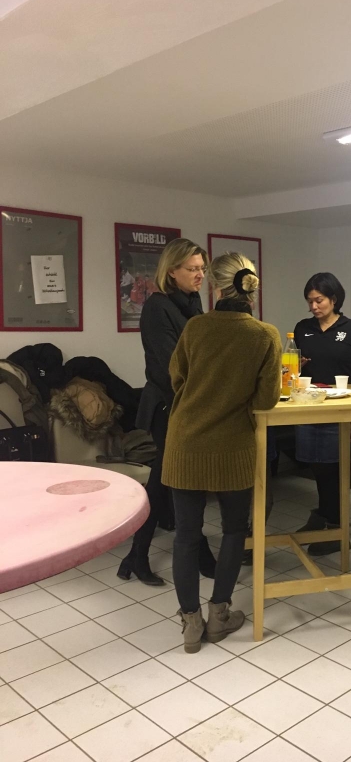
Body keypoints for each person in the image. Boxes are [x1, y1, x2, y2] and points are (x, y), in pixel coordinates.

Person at [162, 252, 281, 652]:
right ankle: (219, 615)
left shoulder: (195, 327)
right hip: (233, 446)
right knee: (233, 530)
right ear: (252, 286)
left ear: (215, 285)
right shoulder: (265, 335)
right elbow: (265, 400)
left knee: (186, 535)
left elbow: (177, 377)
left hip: (185, 443)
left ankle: (190, 624)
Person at [118, 239, 216, 586]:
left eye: (202, 269)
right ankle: (149, 554)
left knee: (172, 481)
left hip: (189, 403)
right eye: (192, 269)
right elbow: (170, 366)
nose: (200, 275)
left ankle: (137, 556)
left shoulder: (193, 303)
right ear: (172, 271)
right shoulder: (157, 307)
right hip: (168, 405)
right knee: (168, 481)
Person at [294, 272, 351, 555]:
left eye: (319, 300)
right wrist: (297, 366)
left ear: (334, 299)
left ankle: (337, 529)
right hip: (310, 408)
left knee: (335, 470)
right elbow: (293, 367)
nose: (314, 306)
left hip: (342, 410)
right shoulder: (303, 328)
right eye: (310, 301)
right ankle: (323, 518)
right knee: (316, 466)